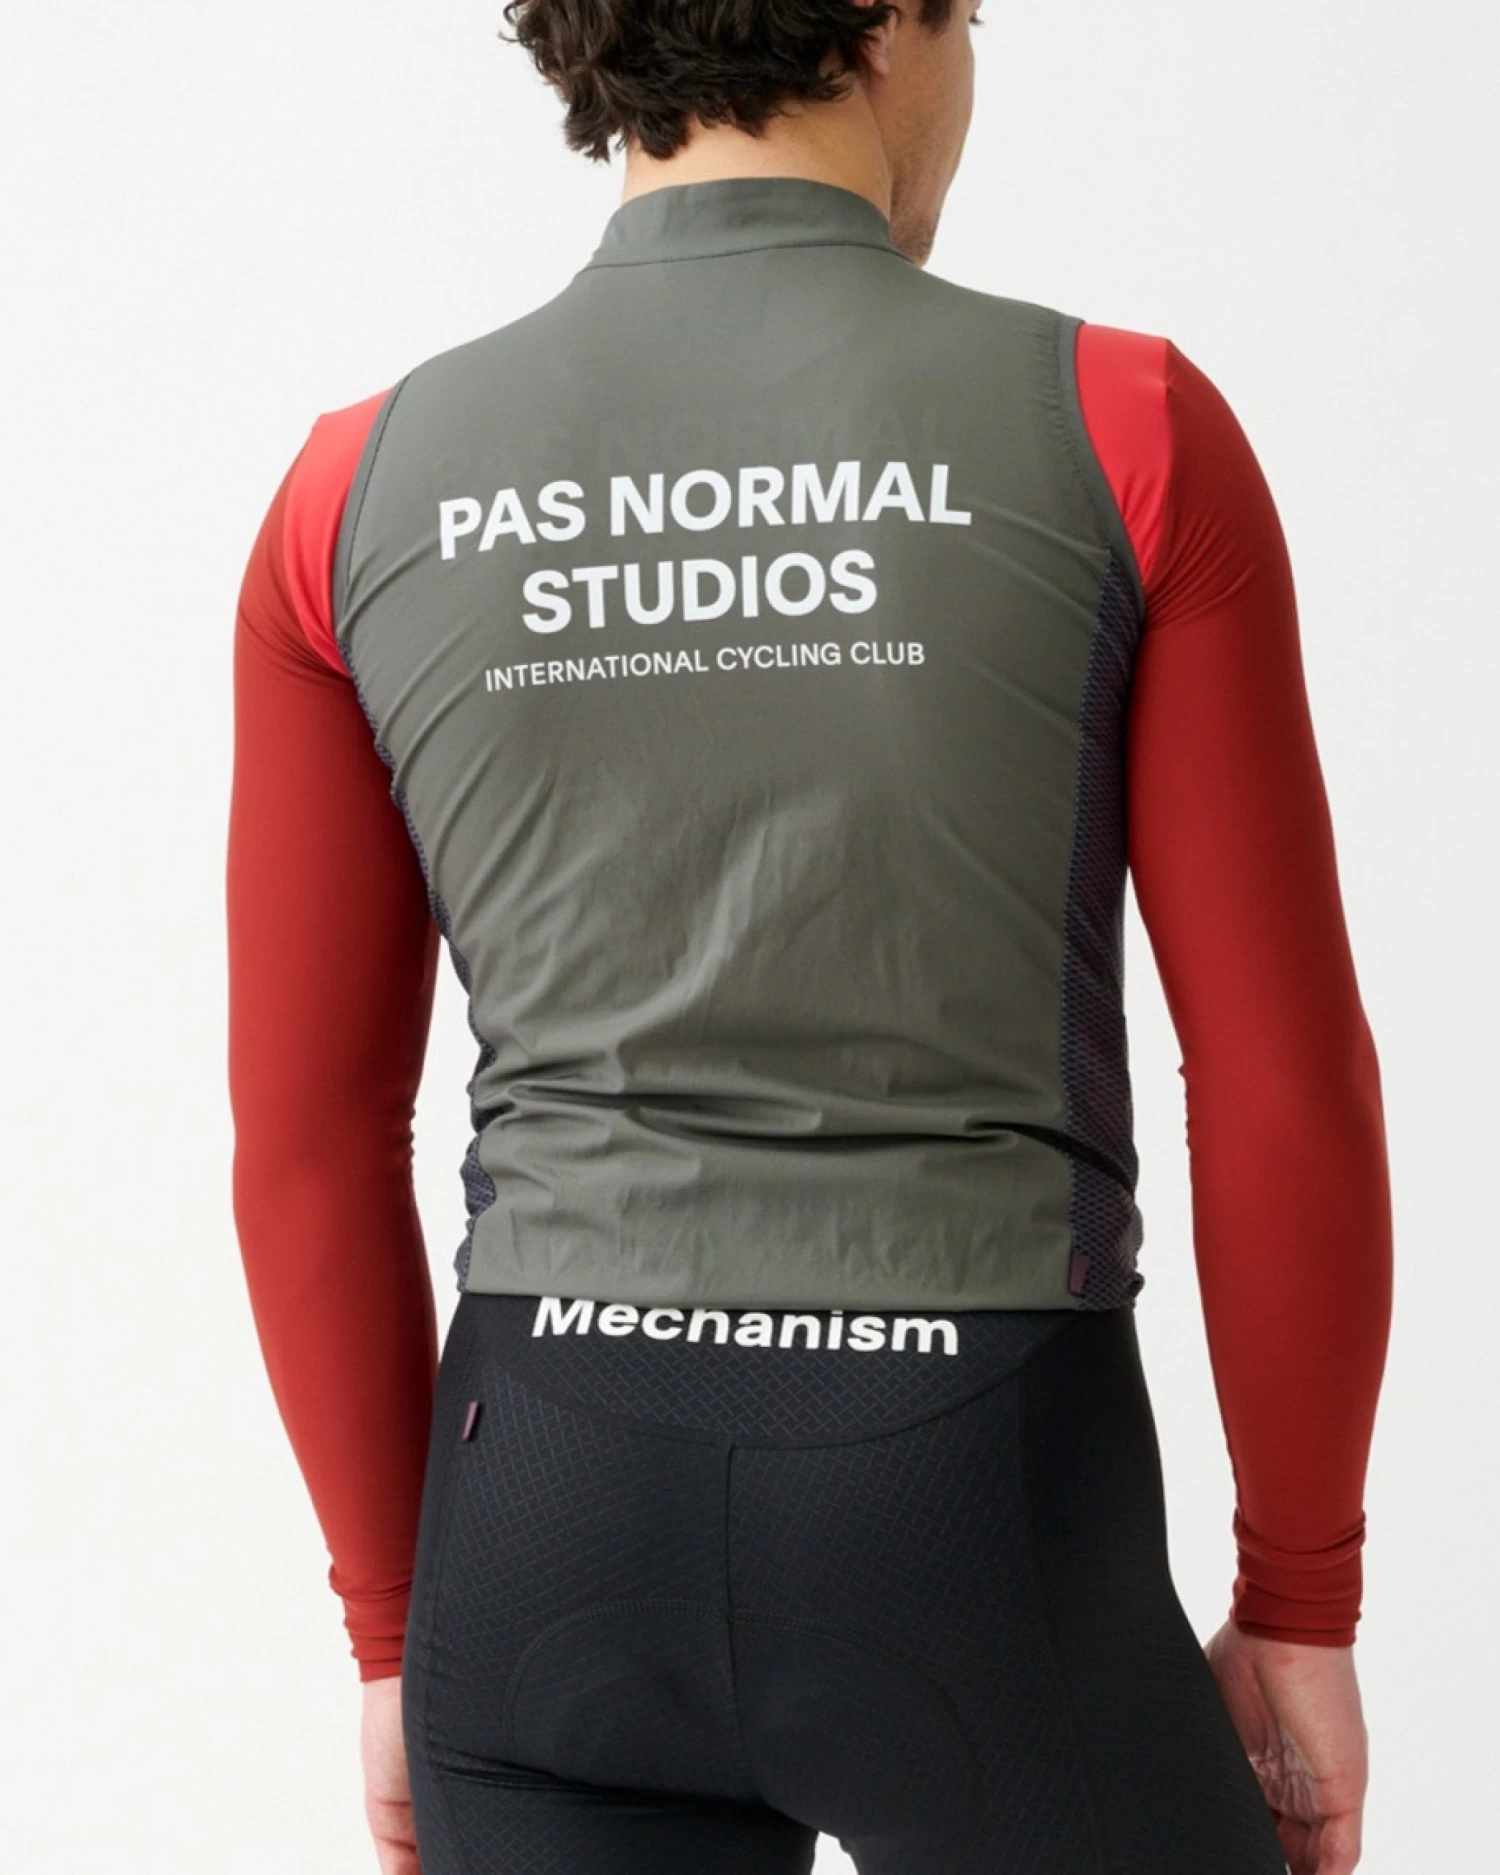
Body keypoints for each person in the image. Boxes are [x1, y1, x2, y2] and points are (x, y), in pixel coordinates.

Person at [225, 0, 1393, 1870]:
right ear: (887, 23)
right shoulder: (1122, 427)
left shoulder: (350, 490)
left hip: (541, 1522)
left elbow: (303, 1142)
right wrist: (1302, 1598)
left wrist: (391, 1628)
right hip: (981, 1505)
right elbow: (1278, 1079)